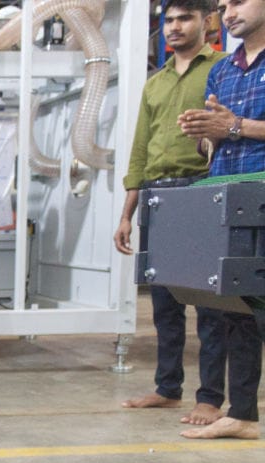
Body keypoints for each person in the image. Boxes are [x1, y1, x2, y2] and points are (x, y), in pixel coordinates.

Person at [114, 0, 227, 426]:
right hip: (157, 196)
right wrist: (128, 212)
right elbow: (140, 151)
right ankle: (167, 388)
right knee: (164, 304)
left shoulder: (219, 69)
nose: (175, 28)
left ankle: (211, 397)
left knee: (212, 306)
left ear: (207, 22)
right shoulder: (155, 83)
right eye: (170, 21)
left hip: (201, 190)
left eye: (185, 19)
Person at [177, 0, 265, 439]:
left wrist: (235, 127)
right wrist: (203, 135)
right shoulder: (223, 71)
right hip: (228, 196)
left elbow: (235, 127)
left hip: (263, 193)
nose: (228, 13)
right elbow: (218, 139)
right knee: (239, 310)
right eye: (224, 6)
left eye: (239, 2)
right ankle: (243, 414)